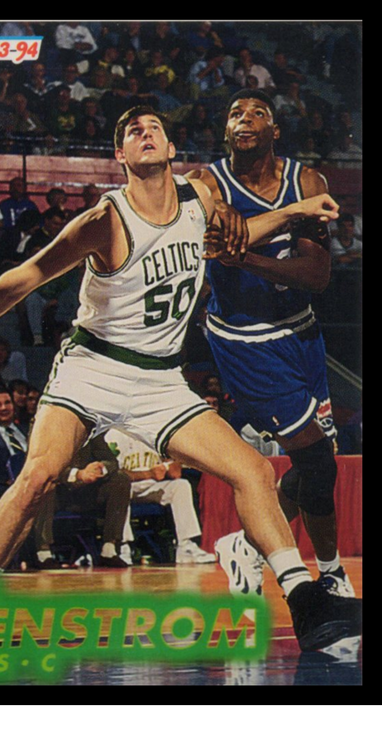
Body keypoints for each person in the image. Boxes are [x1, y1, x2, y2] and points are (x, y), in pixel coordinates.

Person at [0, 104, 361, 652]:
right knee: (38, 478)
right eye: (131, 131)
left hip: (161, 380)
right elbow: (24, 277)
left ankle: (304, 601)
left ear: (171, 149)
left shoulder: (201, 198)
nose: (144, 133)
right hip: (92, 368)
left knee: (254, 471)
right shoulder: (105, 220)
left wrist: (295, 211)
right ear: (120, 154)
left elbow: (239, 238)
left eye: (154, 128)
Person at [187, 89, 355, 603]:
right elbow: (215, 228)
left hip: (301, 332)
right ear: (225, 130)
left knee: (315, 463)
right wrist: (273, 226)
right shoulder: (207, 183)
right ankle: (331, 574)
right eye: (235, 113)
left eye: (257, 112)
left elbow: (317, 276)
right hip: (245, 341)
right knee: (317, 460)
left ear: (274, 130)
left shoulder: (307, 181)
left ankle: (245, 545)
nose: (245, 119)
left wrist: (244, 258)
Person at [105, 428, 216, 564]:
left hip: (152, 486)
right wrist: (148, 474)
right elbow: (113, 473)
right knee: (120, 489)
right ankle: (122, 547)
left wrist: (168, 463)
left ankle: (185, 546)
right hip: (126, 486)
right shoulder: (115, 434)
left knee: (181, 485)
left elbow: (176, 473)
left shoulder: (156, 432)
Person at [33, 434, 132, 568]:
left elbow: (111, 461)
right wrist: (78, 474)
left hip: (87, 491)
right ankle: (43, 554)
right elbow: (43, 465)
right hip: (59, 492)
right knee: (46, 484)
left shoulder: (90, 430)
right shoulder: (45, 428)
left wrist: (100, 469)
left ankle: (109, 549)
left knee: (121, 479)